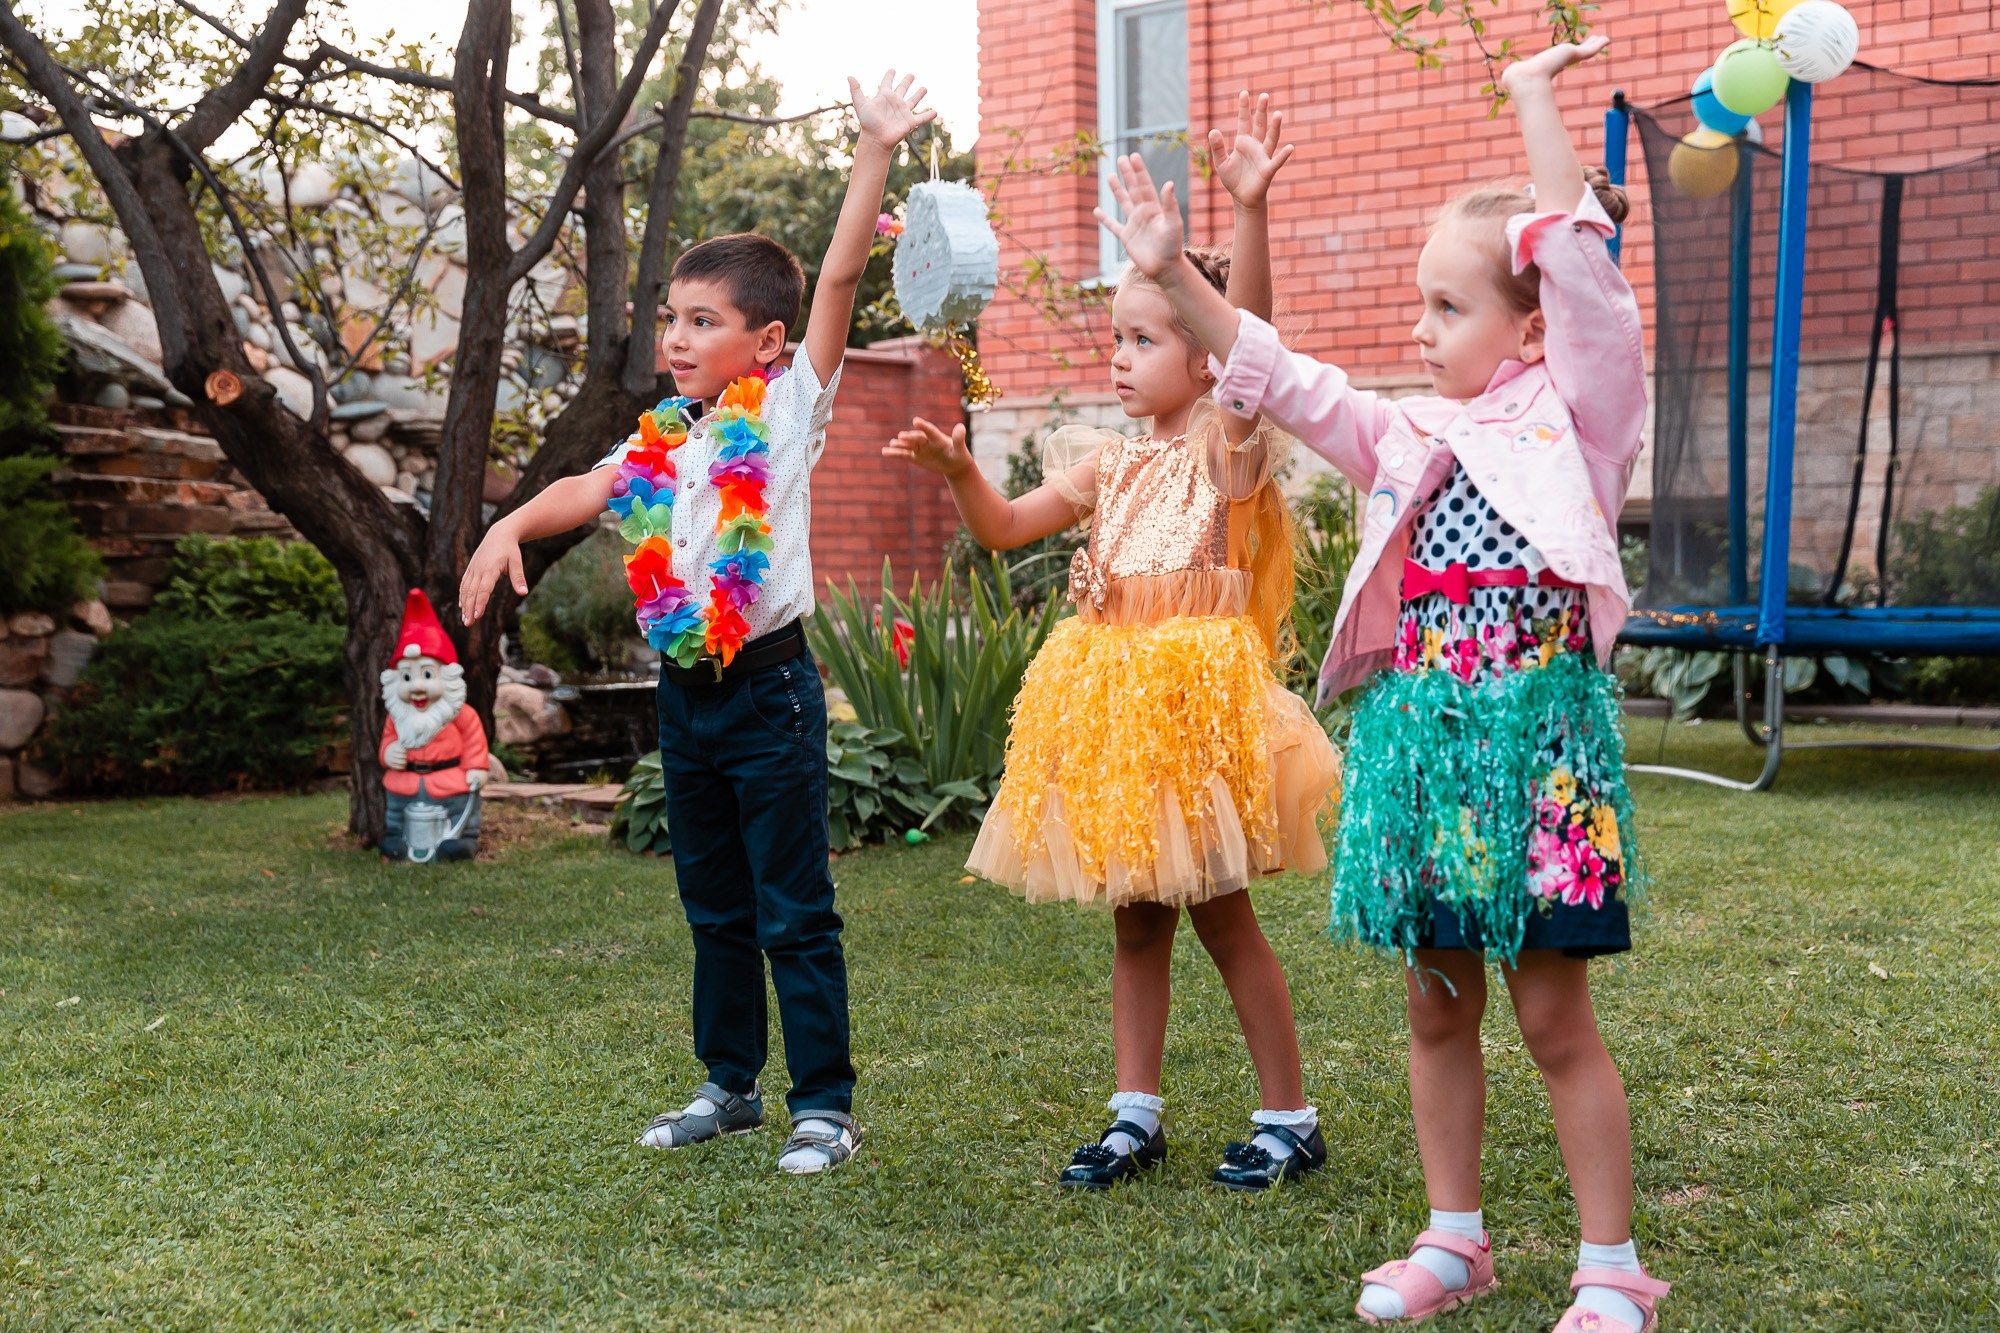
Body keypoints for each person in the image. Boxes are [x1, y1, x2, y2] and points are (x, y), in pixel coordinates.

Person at [1099, 38, 1668, 1333]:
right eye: (1422, 304)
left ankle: (1611, 1265)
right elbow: (1275, 372)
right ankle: (1453, 1240)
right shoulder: (1403, 435)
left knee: (1553, 1012)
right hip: (1421, 747)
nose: (1420, 328)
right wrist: (1172, 276)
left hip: (1538, 749)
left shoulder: (1580, 420)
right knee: (1436, 1002)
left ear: (1528, 325)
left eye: (1448, 307)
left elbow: (1583, 276)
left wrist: (1531, 100)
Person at [459, 72, 937, 1176]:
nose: (675, 337)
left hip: (769, 689)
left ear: (764, 341)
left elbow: (841, 276)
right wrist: (507, 530)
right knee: (713, 905)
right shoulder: (667, 435)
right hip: (690, 693)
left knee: (793, 908)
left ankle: (823, 1102)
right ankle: (729, 1085)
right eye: (670, 318)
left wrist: (870, 151)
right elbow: (584, 483)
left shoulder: (787, 409)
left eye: (700, 321)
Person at [886, 94, 1340, 1193]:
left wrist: (1246, 220)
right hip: (1113, 716)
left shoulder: (1228, 450)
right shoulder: (1106, 461)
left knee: (1222, 918)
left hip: (1190, 708)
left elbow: (1256, 352)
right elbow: (1000, 532)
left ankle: (1288, 1114)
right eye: (1118, 339)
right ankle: (1134, 1113)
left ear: (1203, 359)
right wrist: (959, 475)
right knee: (1136, 922)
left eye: (1144, 340)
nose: (1123, 358)